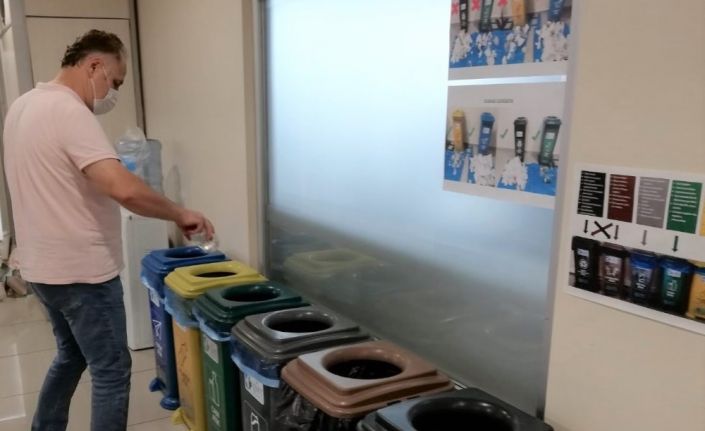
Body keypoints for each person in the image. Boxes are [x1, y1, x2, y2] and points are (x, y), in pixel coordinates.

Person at [3, 30, 214, 431]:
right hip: (81, 273)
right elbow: (123, 188)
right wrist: (179, 212)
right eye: (115, 81)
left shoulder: (23, 106)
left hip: (40, 268)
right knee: (112, 370)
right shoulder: (70, 112)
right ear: (94, 65)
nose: (113, 92)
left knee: (71, 355)